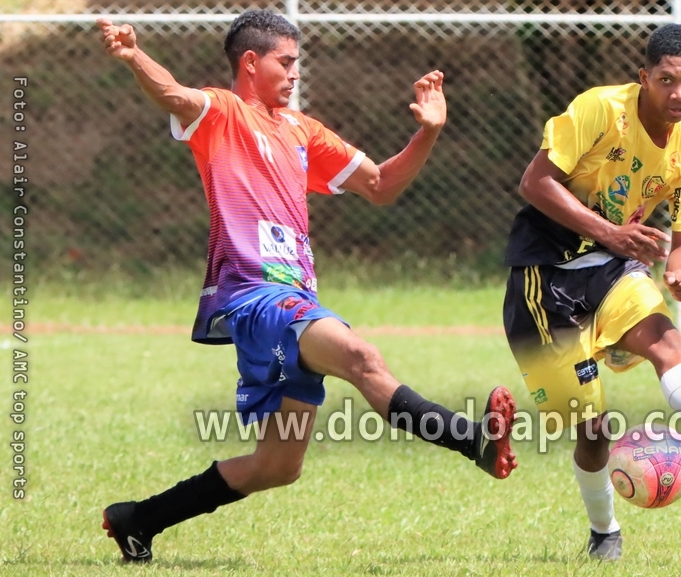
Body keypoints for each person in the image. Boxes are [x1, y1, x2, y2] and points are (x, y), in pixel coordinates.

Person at [96, 10, 517, 563]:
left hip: (295, 302)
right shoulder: (222, 113)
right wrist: (133, 56)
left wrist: (428, 132)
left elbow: (382, 185)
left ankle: (138, 520)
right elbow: (174, 95)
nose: (295, 73)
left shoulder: (300, 130)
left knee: (277, 467)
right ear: (251, 62)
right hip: (255, 297)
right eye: (286, 62)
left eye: (298, 63)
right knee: (362, 357)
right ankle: (472, 441)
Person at [502, 23, 681, 560]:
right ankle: (604, 532)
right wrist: (609, 231)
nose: (680, 95)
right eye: (667, 80)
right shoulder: (600, 109)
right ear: (643, 77)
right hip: (544, 278)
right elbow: (534, 183)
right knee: (593, 429)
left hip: (613, 267)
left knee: (666, 341)